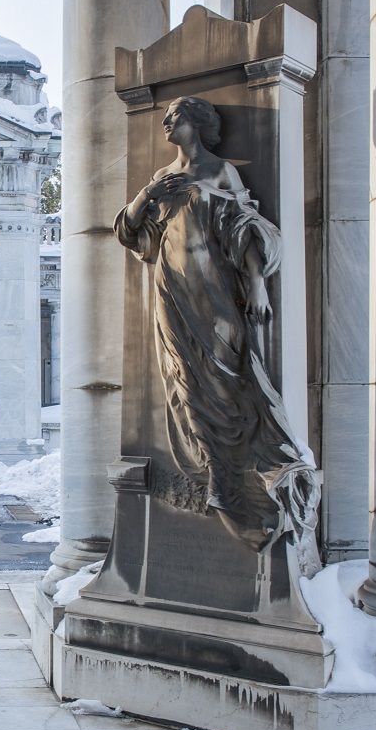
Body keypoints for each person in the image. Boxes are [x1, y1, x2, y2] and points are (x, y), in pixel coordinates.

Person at [114, 96, 319, 567]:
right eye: (166, 117)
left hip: (214, 289)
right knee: (184, 381)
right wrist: (147, 194)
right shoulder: (163, 178)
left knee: (226, 379)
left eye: (176, 117)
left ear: (197, 124)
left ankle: (241, 484)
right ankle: (216, 481)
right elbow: (128, 231)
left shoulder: (222, 172)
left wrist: (258, 285)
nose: (166, 122)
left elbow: (245, 228)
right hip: (171, 289)